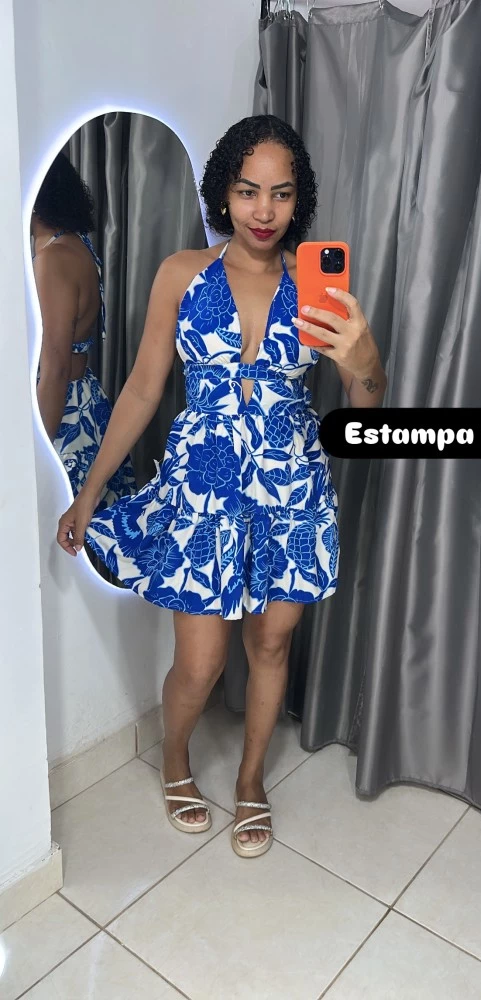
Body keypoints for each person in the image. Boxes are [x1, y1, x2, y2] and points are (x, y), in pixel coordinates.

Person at [56, 115, 386, 858]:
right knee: (201, 662)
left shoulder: (317, 286)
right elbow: (143, 388)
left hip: (290, 489)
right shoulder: (181, 273)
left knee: (271, 645)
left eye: (280, 193)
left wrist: (365, 360)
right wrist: (90, 490)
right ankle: (175, 760)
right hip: (203, 492)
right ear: (223, 193)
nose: (263, 211)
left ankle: (249, 780)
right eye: (247, 191)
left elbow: (365, 411)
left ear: (298, 199)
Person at [32, 152, 136, 508]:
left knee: (55, 528)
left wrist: (37, 456)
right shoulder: (74, 243)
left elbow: (56, 368)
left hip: (62, 413)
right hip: (84, 400)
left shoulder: (53, 258)